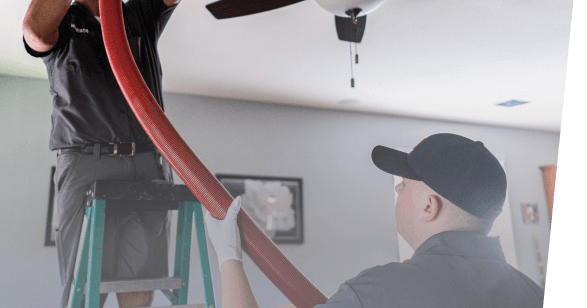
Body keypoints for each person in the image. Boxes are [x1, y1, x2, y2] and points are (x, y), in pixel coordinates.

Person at [22, 0, 192, 307]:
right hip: (87, 162)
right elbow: (35, 30)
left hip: (147, 161)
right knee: (86, 283)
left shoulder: (136, 16)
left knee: (141, 282)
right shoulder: (65, 27)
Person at [204, 133, 547, 308]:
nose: (398, 187)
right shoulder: (532, 294)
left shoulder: (378, 292)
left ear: (430, 206)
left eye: (405, 183)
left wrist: (228, 258)